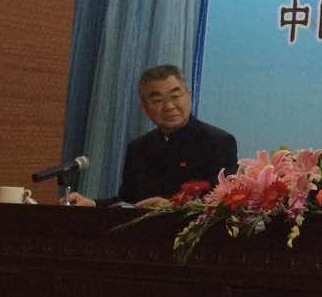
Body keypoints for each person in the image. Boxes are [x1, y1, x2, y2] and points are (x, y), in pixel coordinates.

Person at [67, 64, 237, 208]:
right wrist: (92, 204)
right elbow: (128, 201)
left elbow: (221, 203)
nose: (169, 106)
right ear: (144, 107)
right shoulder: (138, 147)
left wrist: (172, 207)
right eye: (157, 100)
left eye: (175, 96)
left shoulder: (219, 142)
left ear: (189, 96)